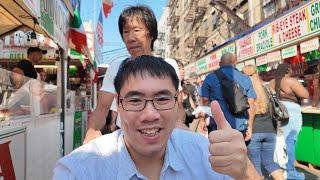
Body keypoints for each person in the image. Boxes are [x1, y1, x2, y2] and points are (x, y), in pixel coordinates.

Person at [53, 56, 261, 179]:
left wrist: (244, 173)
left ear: (177, 101)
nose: (150, 115)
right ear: (119, 104)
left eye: (162, 99)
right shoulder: (78, 170)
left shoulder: (208, 156)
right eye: (135, 101)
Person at [84, 5, 186, 144]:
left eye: (136, 30)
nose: (130, 38)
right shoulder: (116, 67)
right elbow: (101, 109)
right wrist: (91, 133)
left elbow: (178, 108)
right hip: (127, 141)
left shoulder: (169, 66)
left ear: (151, 33)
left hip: (163, 139)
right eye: (126, 32)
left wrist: (179, 125)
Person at [201, 52, 256, 141]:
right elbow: (251, 104)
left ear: (220, 64)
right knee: (239, 154)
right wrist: (250, 126)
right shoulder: (245, 78)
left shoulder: (210, 78)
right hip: (240, 128)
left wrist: (203, 120)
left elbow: (205, 101)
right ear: (235, 63)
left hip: (218, 127)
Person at [242, 65, 284, 180]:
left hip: (254, 132)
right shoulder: (266, 88)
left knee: (255, 166)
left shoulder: (245, 90)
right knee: (270, 163)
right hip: (270, 131)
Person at [270, 63, 309, 180]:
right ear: (288, 70)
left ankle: (281, 168)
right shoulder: (291, 81)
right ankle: (290, 171)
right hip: (291, 113)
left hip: (278, 113)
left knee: (280, 141)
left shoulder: (272, 82)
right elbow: (305, 94)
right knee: (290, 141)